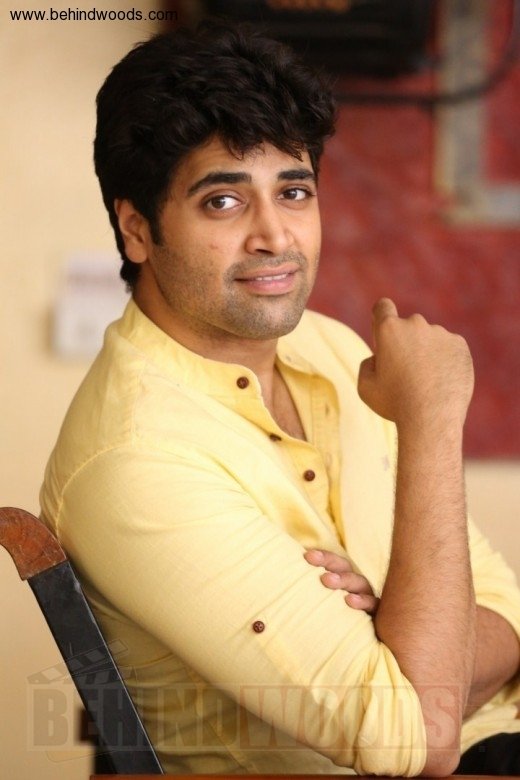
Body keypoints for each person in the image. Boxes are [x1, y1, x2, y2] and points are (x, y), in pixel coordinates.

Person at [40, 20, 520, 776]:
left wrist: (401, 624)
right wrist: (432, 421)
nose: (275, 236)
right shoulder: (136, 460)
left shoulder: (332, 348)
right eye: (223, 202)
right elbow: (415, 737)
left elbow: (510, 618)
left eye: (293, 192)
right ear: (137, 230)